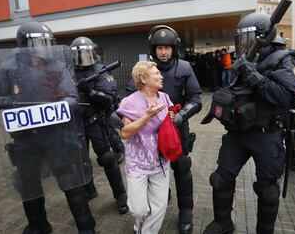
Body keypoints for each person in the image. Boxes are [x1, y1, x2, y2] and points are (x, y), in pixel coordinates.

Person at [0, 21, 96, 234]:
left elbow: (72, 97)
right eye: (40, 42)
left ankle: (86, 227)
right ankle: (39, 226)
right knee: (29, 186)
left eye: (48, 42)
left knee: (71, 182)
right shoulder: (9, 68)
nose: (45, 46)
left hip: (56, 137)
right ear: (25, 43)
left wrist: (63, 104)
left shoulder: (56, 66)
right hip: (25, 140)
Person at [203, 12, 295, 234]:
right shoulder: (243, 59)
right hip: (238, 132)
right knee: (220, 179)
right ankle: (223, 223)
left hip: (266, 134)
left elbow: (284, 97)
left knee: (267, 190)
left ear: (264, 37)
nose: (245, 44)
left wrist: (254, 76)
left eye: (250, 38)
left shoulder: (283, 59)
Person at [148, 25, 202, 234]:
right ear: (154, 49)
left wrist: (181, 116)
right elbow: (130, 94)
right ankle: (160, 200)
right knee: (155, 169)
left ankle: (186, 210)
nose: (164, 52)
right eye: (160, 48)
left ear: (174, 49)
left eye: (168, 48)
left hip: (178, 127)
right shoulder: (145, 68)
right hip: (152, 131)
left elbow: (196, 98)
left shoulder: (184, 67)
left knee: (182, 168)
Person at [71, 36, 128, 214]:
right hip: (75, 123)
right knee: (80, 161)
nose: (82, 58)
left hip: (95, 121)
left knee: (107, 158)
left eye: (86, 54)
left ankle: (120, 195)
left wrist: (90, 91)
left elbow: (109, 99)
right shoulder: (67, 72)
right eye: (78, 54)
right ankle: (89, 189)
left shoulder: (101, 71)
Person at [117, 60, 171, 233]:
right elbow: (124, 133)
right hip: (138, 163)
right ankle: (138, 223)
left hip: (160, 160)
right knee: (139, 210)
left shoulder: (164, 97)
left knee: (159, 206)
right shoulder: (129, 102)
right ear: (143, 78)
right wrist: (147, 116)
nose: (161, 76)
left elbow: (170, 116)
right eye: (156, 73)